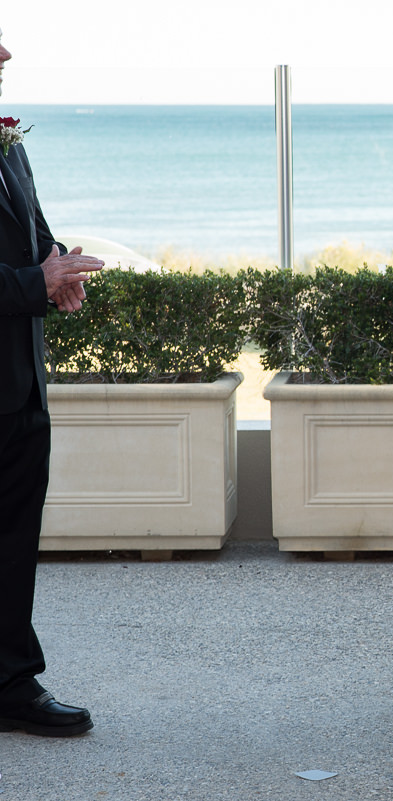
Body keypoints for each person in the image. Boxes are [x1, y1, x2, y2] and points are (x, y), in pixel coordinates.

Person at [0, 27, 104, 738]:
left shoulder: (11, 140)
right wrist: (30, 282)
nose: (5, 57)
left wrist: (56, 267)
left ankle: (11, 681)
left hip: (19, 380)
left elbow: (32, 231)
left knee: (12, 540)